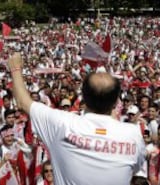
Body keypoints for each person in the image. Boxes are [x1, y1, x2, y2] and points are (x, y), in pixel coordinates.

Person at [9, 53, 145, 185]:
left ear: (84, 97)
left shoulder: (63, 124)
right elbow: (134, 169)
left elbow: (23, 102)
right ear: (116, 101)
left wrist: (15, 68)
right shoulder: (132, 134)